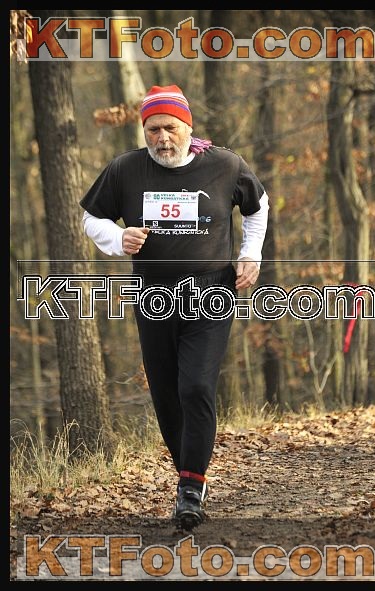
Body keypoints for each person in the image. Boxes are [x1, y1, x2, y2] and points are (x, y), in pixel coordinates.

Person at [80, 84, 269, 529]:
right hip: (153, 296)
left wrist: (250, 254)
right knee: (166, 393)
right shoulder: (126, 169)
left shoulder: (225, 165)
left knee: (196, 386)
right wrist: (117, 237)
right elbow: (90, 216)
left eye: (170, 127)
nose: (162, 137)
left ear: (188, 126)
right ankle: (189, 473)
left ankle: (189, 488)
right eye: (153, 129)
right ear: (144, 131)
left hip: (211, 292)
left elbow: (257, 207)